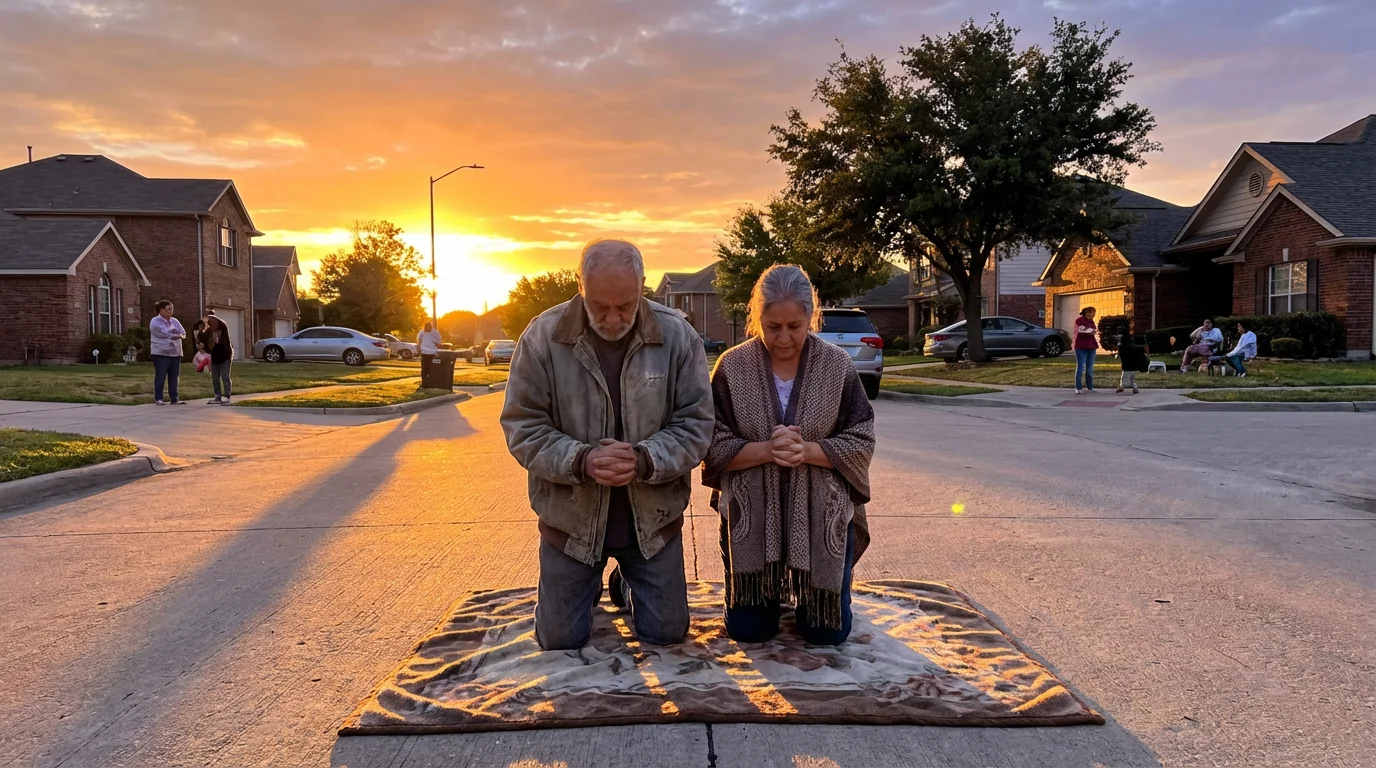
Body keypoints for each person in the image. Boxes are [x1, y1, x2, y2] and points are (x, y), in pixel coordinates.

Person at [500, 239, 713, 651]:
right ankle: (586, 585)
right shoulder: (543, 336)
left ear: (642, 286)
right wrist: (581, 460)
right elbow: (522, 424)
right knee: (560, 639)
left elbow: (697, 423)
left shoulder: (678, 336)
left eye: (625, 305)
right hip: (572, 524)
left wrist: (645, 459)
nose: (613, 317)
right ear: (580, 285)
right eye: (600, 306)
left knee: (667, 634)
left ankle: (624, 581)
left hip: (652, 523)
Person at [702, 264, 875, 645]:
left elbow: (861, 438)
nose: (783, 338)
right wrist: (765, 450)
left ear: (811, 317)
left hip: (822, 517)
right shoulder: (732, 366)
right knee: (749, 632)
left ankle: (821, 593)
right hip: (751, 519)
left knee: (825, 633)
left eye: (794, 327)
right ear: (756, 318)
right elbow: (711, 443)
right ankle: (761, 593)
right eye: (772, 327)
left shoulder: (837, 366)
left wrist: (808, 450)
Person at [149, 300, 186, 405]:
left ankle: (174, 398)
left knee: (174, 376)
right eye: (168, 309)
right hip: (161, 353)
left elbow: (183, 333)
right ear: (161, 310)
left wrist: (178, 334)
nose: (170, 311)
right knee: (161, 375)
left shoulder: (175, 321)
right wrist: (175, 334)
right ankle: (159, 398)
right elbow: (162, 333)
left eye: (172, 309)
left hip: (175, 353)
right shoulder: (155, 321)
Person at [204, 314, 234, 404]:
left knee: (225, 376)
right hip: (215, 355)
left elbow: (223, 343)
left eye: (210, 323)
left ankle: (227, 396)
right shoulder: (209, 331)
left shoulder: (223, 327)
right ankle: (217, 396)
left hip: (225, 355)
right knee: (215, 377)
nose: (210, 326)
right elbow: (204, 339)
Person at [1073, 306, 1099, 394]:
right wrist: (1090, 331)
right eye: (1089, 314)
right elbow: (1082, 331)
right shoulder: (1079, 320)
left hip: (1091, 346)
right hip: (1081, 346)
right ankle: (1078, 387)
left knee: (1089, 368)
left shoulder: (1091, 321)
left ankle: (1090, 387)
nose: (1091, 316)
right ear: (1085, 313)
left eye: (1093, 314)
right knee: (1080, 367)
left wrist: (1092, 331)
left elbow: (1094, 330)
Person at [417, 322, 442, 387]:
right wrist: (419, 348)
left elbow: (438, 342)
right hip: (424, 353)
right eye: (426, 326)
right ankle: (424, 383)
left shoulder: (435, 333)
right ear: (424, 327)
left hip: (432, 353)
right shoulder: (422, 332)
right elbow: (419, 341)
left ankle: (431, 383)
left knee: (432, 368)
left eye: (429, 326)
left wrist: (437, 349)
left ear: (431, 327)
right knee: (424, 368)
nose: (428, 328)